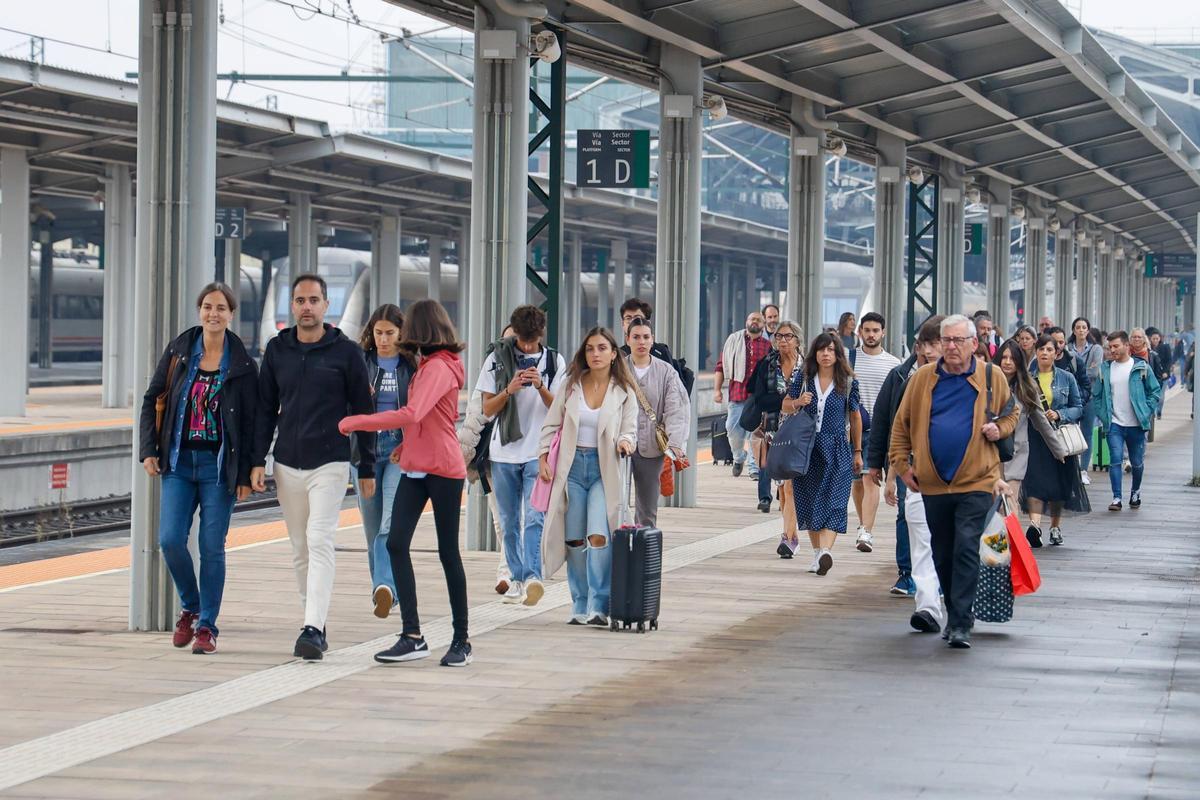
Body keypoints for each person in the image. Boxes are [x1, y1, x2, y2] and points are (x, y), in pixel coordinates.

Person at [339, 300, 473, 667]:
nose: (404, 336)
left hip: (444, 469)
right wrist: (403, 444)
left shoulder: (440, 367)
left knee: (448, 554)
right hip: (415, 465)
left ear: (422, 330)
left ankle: (462, 639)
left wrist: (357, 422)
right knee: (396, 543)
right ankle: (412, 635)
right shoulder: (428, 365)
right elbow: (427, 420)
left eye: (409, 328)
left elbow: (412, 413)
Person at [252, 274, 376, 661]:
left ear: (326, 306)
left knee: (320, 539)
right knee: (300, 547)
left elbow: (364, 413)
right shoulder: (277, 350)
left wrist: (366, 465)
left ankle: (310, 627)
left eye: (314, 300)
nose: (307, 306)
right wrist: (257, 460)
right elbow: (263, 411)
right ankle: (315, 622)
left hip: (332, 462)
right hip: (287, 462)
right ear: (292, 306)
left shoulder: (346, 352)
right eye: (300, 300)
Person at [138, 283, 258, 655]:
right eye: (207, 306)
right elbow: (151, 398)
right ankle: (190, 605)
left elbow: (253, 423)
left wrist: (246, 473)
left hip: (218, 468)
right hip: (177, 461)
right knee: (170, 540)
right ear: (199, 311)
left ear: (231, 314)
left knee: (211, 547)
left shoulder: (242, 365)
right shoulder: (179, 351)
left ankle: (207, 626)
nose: (213, 314)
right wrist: (148, 450)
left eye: (221, 308)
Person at [889, 315, 1019, 649]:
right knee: (943, 552)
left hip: (978, 480)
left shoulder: (992, 377)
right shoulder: (921, 380)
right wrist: (902, 466)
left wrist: (999, 429)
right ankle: (954, 610)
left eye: (958, 340)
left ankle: (961, 622)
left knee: (965, 547)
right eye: (946, 340)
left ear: (974, 344)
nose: (950, 347)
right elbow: (900, 425)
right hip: (932, 483)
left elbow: (1011, 413)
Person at [537, 328, 637, 626]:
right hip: (570, 469)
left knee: (598, 535)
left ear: (613, 353)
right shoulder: (570, 387)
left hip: (603, 470)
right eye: (590, 348)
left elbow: (630, 428)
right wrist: (543, 457)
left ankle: (599, 604)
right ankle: (579, 603)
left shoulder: (623, 392)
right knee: (574, 540)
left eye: (602, 348)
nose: (596, 354)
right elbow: (550, 425)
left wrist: (626, 442)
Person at [475, 305, 566, 607]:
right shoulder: (496, 360)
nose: (527, 347)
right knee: (509, 521)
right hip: (503, 454)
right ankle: (516, 578)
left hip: (537, 453)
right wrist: (509, 389)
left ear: (541, 335)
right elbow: (487, 409)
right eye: (522, 341)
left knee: (535, 518)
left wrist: (540, 386)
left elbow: (562, 408)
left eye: (532, 341)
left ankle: (533, 577)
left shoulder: (555, 361)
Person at [868, 315, 944, 605]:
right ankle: (906, 572)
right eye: (925, 343)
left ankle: (935, 574)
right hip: (908, 459)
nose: (928, 350)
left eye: (935, 343)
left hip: (946, 462)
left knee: (938, 517)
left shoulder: (963, 377)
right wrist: (878, 463)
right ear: (917, 345)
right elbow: (887, 421)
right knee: (905, 515)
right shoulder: (900, 376)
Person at [351, 304, 411, 619]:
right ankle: (383, 590)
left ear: (401, 333)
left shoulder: (411, 365)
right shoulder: (360, 363)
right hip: (365, 450)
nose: (383, 339)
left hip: (398, 449)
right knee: (372, 525)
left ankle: (384, 585)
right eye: (378, 333)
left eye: (390, 333)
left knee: (389, 521)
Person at [787, 333, 862, 577]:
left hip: (837, 447)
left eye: (831, 350)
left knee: (835, 500)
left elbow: (855, 416)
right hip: (806, 448)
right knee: (808, 499)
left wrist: (857, 451)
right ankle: (818, 553)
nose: (826, 354)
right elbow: (784, 404)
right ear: (815, 354)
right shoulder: (804, 378)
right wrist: (798, 401)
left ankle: (826, 551)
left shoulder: (848, 382)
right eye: (821, 350)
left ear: (838, 354)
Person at [459, 324, 516, 595]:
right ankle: (509, 570)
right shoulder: (490, 372)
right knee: (501, 519)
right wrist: (463, 458)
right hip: (493, 458)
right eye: (505, 341)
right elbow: (474, 418)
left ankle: (507, 572)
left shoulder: (538, 371)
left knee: (520, 517)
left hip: (524, 458)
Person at [1021, 333, 1090, 546]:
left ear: (1056, 353)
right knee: (1034, 482)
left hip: (1058, 436)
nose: (1044, 353)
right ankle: (1035, 526)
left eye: (1049, 349)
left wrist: (1060, 414)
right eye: (1041, 349)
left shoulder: (1066, 378)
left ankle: (1055, 526)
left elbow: (1078, 408)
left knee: (1059, 484)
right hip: (1034, 436)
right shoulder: (1026, 377)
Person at [625, 317, 690, 527]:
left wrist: (675, 443)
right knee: (616, 504)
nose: (641, 342)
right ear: (627, 340)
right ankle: (619, 551)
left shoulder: (666, 371)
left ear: (652, 340)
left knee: (647, 509)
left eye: (646, 337)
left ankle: (644, 553)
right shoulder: (617, 368)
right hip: (620, 445)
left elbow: (675, 409)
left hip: (651, 448)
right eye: (636, 337)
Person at [743, 320, 803, 547]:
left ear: (797, 339)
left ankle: (789, 538)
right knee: (782, 487)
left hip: (799, 431)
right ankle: (789, 528)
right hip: (773, 431)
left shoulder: (807, 366)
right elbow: (759, 398)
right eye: (778, 337)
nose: (782, 341)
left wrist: (790, 405)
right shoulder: (767, 364)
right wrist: (787, 402)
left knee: (791, 485)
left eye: (787, 336)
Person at [849, 312, 900, 554]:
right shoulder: (849, 360)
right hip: (853, 430)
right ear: (860, 332)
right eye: (867, 330)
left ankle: (866, 531)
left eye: (875, 331)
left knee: (871, 479)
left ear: (883, 333)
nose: (871, 335)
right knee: (857, 482)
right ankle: (863, 524)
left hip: (880, 431)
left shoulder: (894, 363)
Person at [1095, 331, 1161, 512]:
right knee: (1115, 459)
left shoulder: (1141, 367)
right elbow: (1097, 395)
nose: (1112, 350)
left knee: (1137, 462)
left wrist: (1146, 411)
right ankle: (1116, 498)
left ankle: (1135, 492)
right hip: (1114, 423)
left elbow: (1155, 391)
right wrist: (1103, 415)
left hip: (1137, 424)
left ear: (1126, 346)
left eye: (1116, 346)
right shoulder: (1105, 369)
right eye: (1110, 347)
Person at [714, 311, 772, 480]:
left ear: (763, 325)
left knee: (756, 432)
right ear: (746, 321)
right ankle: (739, 457)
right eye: (752, 319)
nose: (755, 322)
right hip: (737, 392)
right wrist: (717, 390)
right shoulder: (734, 340)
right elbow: (720, 366)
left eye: (759, 320)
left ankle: (754, 468)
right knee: (732, 428)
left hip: (757, 396)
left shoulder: (767, 345)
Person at [993, 339, 1044, 527]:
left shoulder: (1026, 387)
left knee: (1010, 500)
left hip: (1017, 452)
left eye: (1012, 359)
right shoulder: (986, 384)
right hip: (991, 453)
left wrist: (1058, 449)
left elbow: (1041, 421)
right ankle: (994, 551)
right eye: (1004, 357)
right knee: (993, 504)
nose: (1007, 362)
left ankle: (1014, 550)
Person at [1066, 317, 1103, 482]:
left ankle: (1083, 470)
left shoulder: (1096, 349)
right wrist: (1086, 369)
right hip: (1070, 397)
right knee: (1069, 432)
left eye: (1084, 327)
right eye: (1078, 327)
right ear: (1073, 330)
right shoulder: (1067, 348)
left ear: (1088, 330)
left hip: (1089, 396)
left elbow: (1096, 372)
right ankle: (1071, 468)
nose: (1081, 330)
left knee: (1087, 433)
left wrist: (1076, 372)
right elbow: (1065, 370)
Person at [1147, 327, 1173, 419]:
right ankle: (1153, 412)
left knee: (1161, 396)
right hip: (1152, 376)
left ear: (1160, 338)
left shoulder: (1165, 347)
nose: (1155, 340)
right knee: (1153, 395)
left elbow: (1169, 360)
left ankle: (1159, 411)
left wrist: (1166, 371)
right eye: (1153, 338)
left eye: (1157, 338)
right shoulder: (1148, 348)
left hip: (1163, 376)